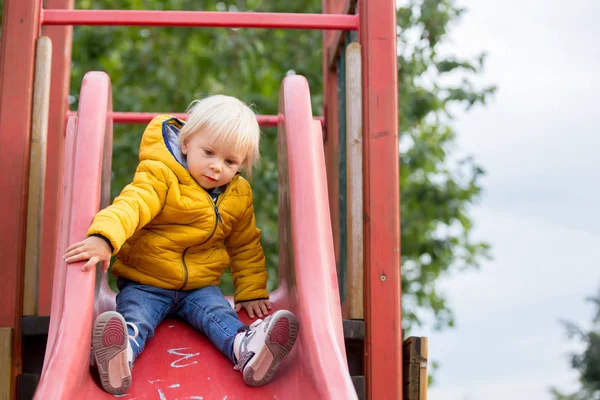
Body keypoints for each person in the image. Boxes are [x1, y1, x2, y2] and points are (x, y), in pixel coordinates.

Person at [64, 95, 299, 395]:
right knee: (136, 317)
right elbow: (132, 205)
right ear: (187, 143)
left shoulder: (238, 195)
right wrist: (104, 238)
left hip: (199, 287)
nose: (216, 167)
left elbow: (245, 245)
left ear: (242, 164)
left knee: (221, 318)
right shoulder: (162, 175)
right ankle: (119, 353)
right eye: (209, 153)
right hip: (147, 281)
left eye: (229, 161)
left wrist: (251, 291)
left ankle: (247, 349)